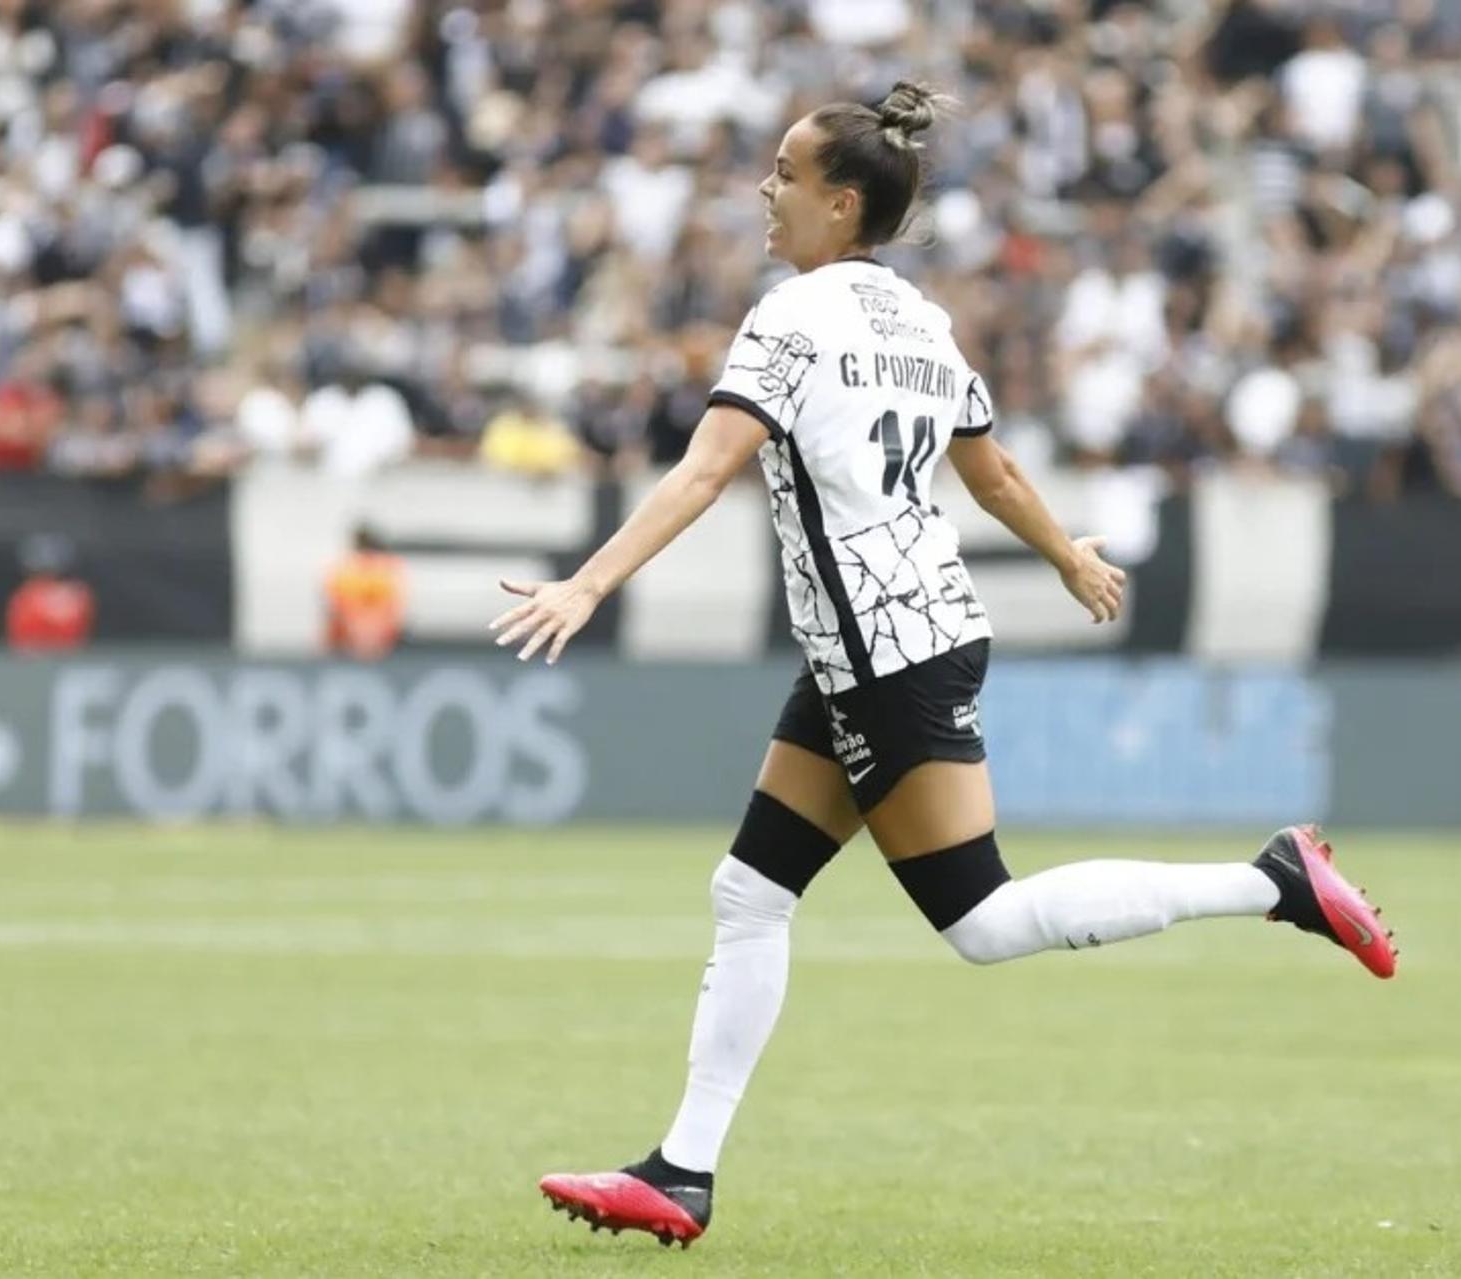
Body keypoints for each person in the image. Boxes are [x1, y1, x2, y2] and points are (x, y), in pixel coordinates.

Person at [491, 83, 1397, 1251]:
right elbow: (995, 472)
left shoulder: (791, 317)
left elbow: (706, 470)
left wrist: (587, 582)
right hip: (887, 638)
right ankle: (684, 1169)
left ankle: (1273, 882)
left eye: (783, 174)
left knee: (980, 917)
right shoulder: (920, 322)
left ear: (841, 201)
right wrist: (1067, 554)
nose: (766, 192)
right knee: (750, 893)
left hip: (884, 654)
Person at [325, 527, 407, 661]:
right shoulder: (346, 571)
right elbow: (338, 609)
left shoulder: (385, 570)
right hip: (353, 638)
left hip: (375, 638)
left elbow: (390, 610)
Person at [5, 533, 94, 652]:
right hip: (31, 657)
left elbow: (74, 635)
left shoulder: (76, 594)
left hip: (65, 657)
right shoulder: (25, 594)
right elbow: (20, 636)